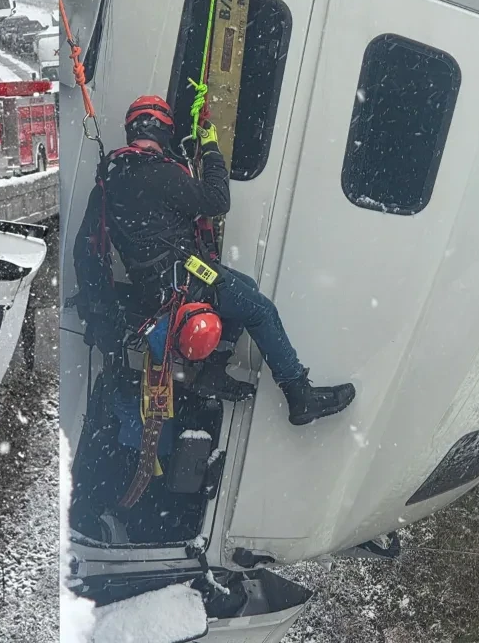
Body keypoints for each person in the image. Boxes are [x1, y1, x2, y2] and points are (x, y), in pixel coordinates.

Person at [75, 95, 355, 426]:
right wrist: (210, 149)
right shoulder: (163, 174)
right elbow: (217, 200)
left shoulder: (109, 181)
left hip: (154, 286)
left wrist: (96, 305)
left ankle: (213, 370)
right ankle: (298, 394)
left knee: (245, 287)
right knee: (261, 310)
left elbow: (84, 249)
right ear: (164, 131)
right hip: (184, 282)